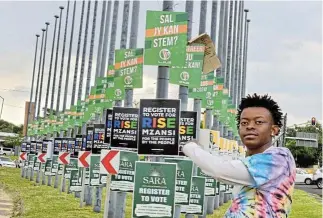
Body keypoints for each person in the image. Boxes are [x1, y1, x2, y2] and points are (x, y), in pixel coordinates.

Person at [183, 93, 296, 218]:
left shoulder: (279, 158)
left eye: (259, 122)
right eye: (244, 123)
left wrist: (189, 147)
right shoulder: (250, 162)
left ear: (274, 130)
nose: (250, 126)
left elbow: (220, 170)